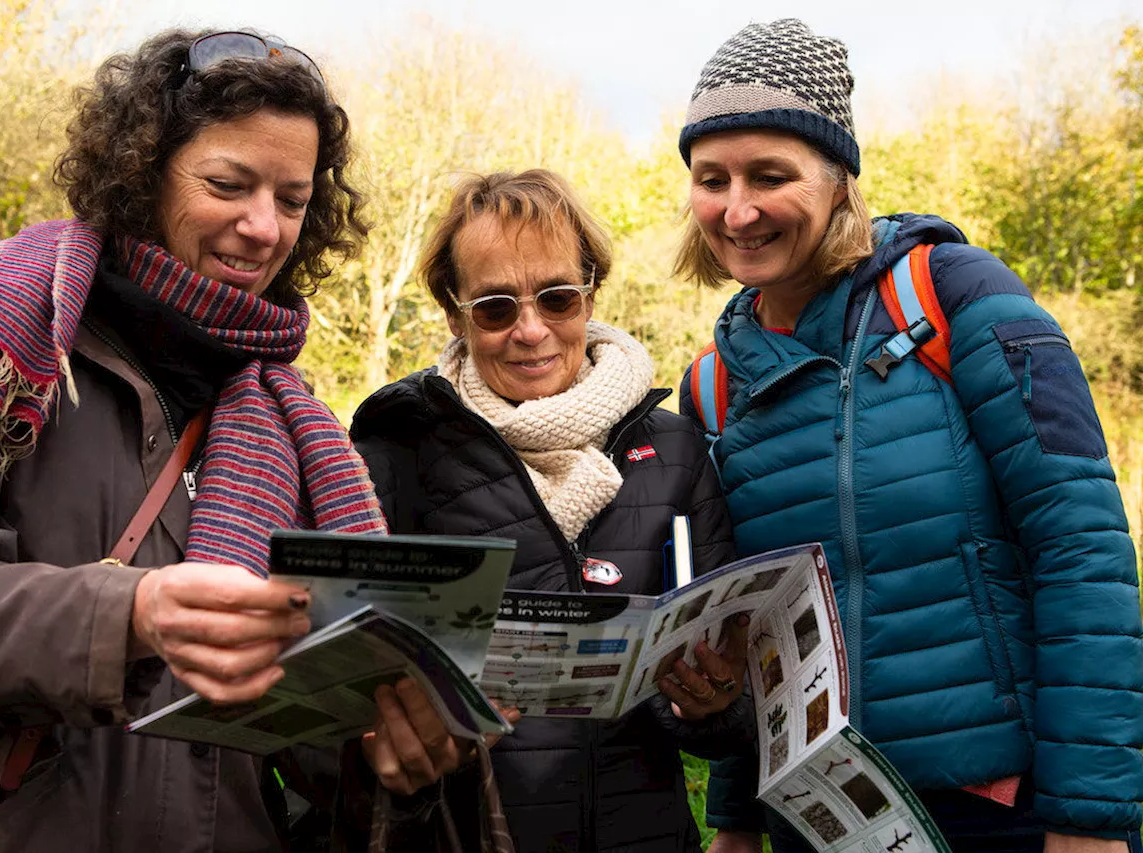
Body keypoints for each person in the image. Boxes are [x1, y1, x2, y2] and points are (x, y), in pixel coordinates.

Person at [0, 28, 390, 852]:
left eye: (292, 200)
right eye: (228, 183)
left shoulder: (288, 415)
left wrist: (393, 753)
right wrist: (127, 614)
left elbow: (295, 735)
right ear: (142, 173)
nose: (264, 228)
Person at [672, 18, 1143, 853]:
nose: (737, 209)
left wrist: (1088, 818)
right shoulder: (713, 383)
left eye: (769, 175)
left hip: (1000, 810)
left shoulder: (956, 295)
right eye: (712, 179)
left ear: (838, 178)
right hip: (819, 819)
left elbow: (1082, 549)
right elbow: (763, 629)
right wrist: (738, 821)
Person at [349, 168, 755, 853]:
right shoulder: (397, 451)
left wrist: (711, 702)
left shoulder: (675, 449)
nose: (531, 330)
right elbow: (350, 708)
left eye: (558, 298)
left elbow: (725, 715)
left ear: (590, 292)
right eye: (496, 308)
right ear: (455, 312)